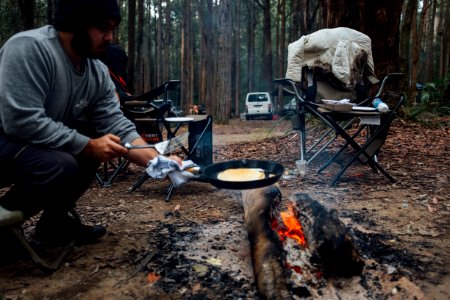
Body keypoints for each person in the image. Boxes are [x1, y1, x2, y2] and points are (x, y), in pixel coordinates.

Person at [0, 0, 181, 244]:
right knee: (64, 161)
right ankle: (3, 228)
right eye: (103, 28)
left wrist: (159, 162)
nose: (109, 37)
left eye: (112, 29)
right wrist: (86, 145)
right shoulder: (29, 48)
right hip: (7, 138)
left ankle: (53, 225)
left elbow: (117, 124)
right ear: (76, 23)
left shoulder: (96, 71)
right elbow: (21, 121)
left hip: (34, 147)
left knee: (93, 140)